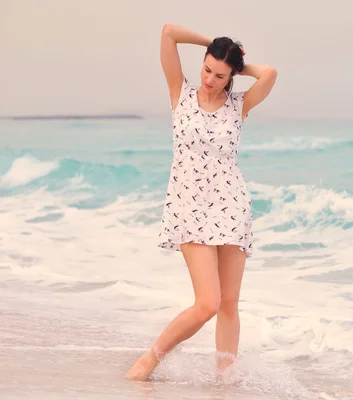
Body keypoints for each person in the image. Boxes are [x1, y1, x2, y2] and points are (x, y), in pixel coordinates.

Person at [124, 23, 277, 381]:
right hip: (189, 209)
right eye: (207, 69)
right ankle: (150, 359)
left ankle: (225, 379)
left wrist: (235, 60)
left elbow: (269, 74)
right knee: (208, 302)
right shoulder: (181, 93)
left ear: (231, 77)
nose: (209, 78)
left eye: (220, 75)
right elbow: (167, 33)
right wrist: (214, 44)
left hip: (232, 208)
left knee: (228, 303)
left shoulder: (239, 105)